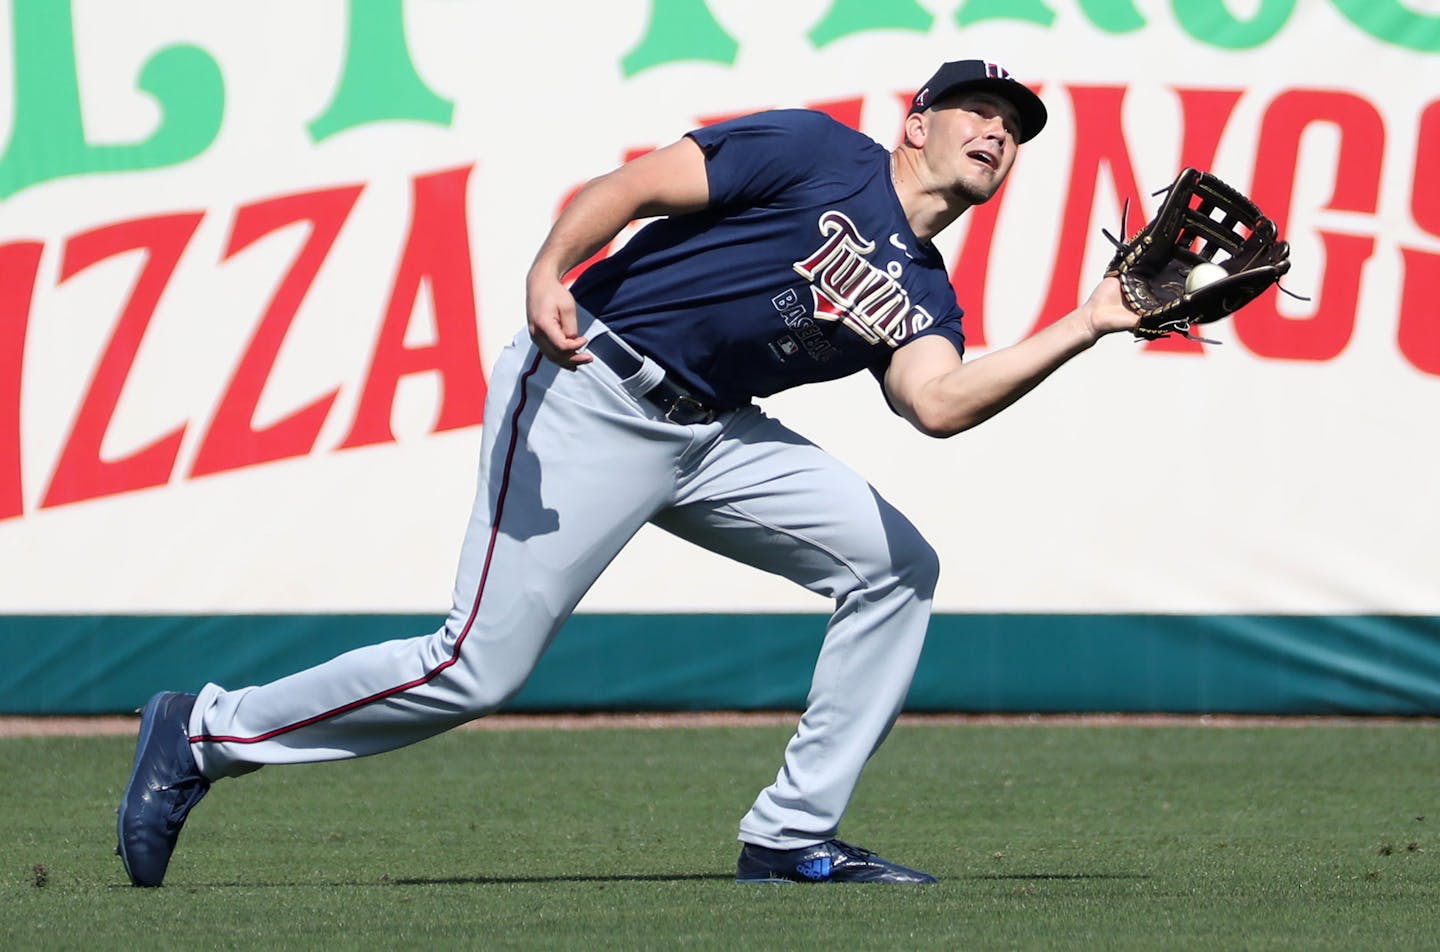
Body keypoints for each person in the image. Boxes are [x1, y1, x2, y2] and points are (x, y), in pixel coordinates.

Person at [117, 59, 1144, 887]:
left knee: (897, 566)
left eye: (1013, 126)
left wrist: (1089, 323)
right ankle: (204, 730)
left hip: (711, 433)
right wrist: (546, 265)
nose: (997, 131)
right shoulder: (818, 152)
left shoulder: (923, 290)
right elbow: (633, 185)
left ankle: (791, 835)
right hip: (590, 383)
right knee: (477, 663)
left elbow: (939, 402)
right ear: (915, 123)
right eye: (976, 108)